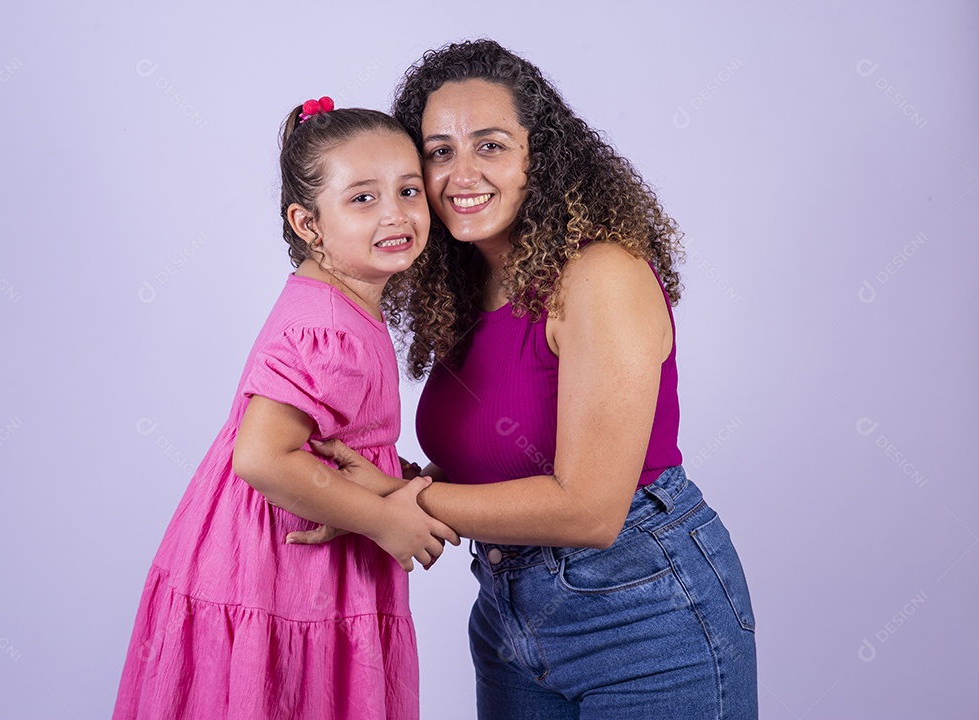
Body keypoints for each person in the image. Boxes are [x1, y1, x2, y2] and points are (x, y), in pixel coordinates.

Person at [291, 41, 759, 719]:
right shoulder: (465, 286)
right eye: (440, 151)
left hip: (646, 611)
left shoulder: (600, 275)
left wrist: (395, 501)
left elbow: (589, 510)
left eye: (490, 145)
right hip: (509, 617)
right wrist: (362, 492)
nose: (462, 174)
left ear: (539, 155)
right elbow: (503, 458)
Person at [112, 98, 458, 720]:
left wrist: (392, 477)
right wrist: (383, 519)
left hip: (285, 548)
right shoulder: (328, 327)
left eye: (408, 191)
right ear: (308, 223)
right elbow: (261, 457)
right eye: (362, 198)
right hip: (278, 564)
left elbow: (328, 435)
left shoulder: (339, 301)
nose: (396, 214)